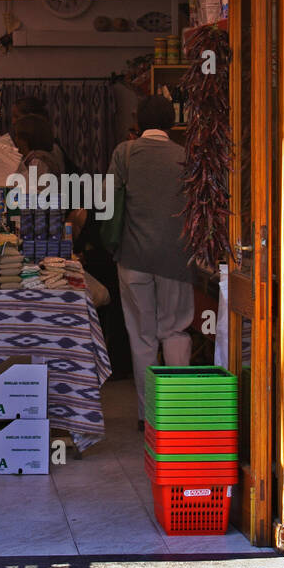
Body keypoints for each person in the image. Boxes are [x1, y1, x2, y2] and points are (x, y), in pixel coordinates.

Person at [108, 94, 195, 428]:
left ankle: (150, 417)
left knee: (142, 338)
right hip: (176, 258)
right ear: (172, 122)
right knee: (174, 332)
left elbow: (108, 202)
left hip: (133, 258)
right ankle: (179, 416)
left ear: (137, 122)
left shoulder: (124, 153)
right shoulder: (185, 157)